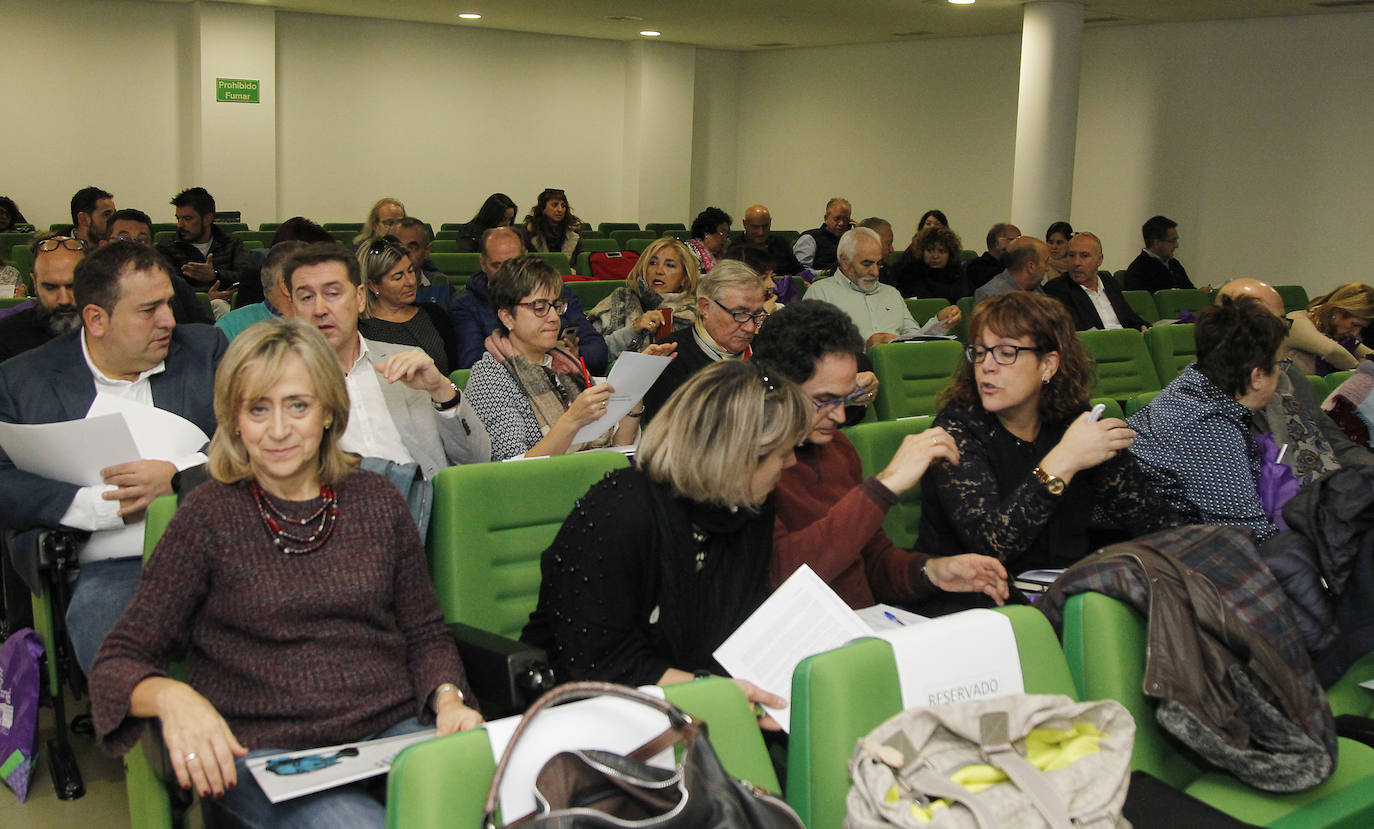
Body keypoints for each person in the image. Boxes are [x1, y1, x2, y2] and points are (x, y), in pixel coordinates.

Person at [89, 318, 481, 826]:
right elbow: (118, 660)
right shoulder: (208, 516)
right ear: (233, 420)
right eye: (258, 408)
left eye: (297, 405)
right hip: (266, 753)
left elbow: (425, 632)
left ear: (326, 412)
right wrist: (171, 694)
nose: (277, 430)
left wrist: (448, 700)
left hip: (391, 731)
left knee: (490, 796)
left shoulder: (378, 501)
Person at [521, 360, 809, 717]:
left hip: (698, 700)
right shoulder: (620, 513)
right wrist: (716, 695)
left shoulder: (749, 506)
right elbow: (596, 664)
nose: (792, 462)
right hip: (590, 712)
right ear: (738, 457)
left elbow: (740, 622)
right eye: (783, 451)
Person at [0, 240, 225, 674]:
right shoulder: (23, 380)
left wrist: (179, 476)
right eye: (149, 310)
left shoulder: (205, 351)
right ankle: (153, 737)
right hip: (112, 563)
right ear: (96, 319)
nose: (169, 320)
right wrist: (89, 507)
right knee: (110, 627)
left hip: (220, 545)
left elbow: (253, 435)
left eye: (168, 303)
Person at [754, 301, 1009, 610]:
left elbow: (872, 561)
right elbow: (783, 577)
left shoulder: (837, 448)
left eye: (845, 399)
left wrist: (932, 572)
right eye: (824, 400)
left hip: (863, 629)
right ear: (776, 390)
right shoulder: (748, 464)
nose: (839, 417)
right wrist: (883, 486)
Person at [917, 292, 1180, 572]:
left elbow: (1151, 521)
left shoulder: (1072, 422)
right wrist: (1063, 460)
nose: (987, 367)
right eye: (979, 353)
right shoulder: (956, 429)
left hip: (1065, 590)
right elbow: (992, 546)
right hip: (974, 600)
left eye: (1007, 353)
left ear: (1048, 365)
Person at [287, 242, 490, 481]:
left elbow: (477, 459)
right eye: (307, 297)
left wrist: (441, 390)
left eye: (333, 293)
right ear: (293, 308)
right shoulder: (279, 382)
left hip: (426, 506)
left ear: (360, 297)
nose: (320, 309)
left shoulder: (406, 364)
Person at [1127, 297, 1290, 542]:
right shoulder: (1206, 426)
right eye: (1279, 365)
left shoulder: (1199, 381)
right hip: (1165, 554)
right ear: (1256, 376)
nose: (1281, 373)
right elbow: (1246, 534)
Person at [466, 256, 657, 460]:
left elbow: (617, 450)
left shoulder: (566, 363)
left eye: (556, 306)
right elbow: (512, 471)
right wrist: (572, 420)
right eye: (540, 308)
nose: (554, 317)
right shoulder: (490, 378)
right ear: (507, 317)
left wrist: (635, 393)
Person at [1219, 278, 1374, 485]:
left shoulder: (1290, 375)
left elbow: (1333, 438)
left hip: (1325, 484)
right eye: (1278, 323)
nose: (1284, 331)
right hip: (1291, 496)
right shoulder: (1218, 391)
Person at [451, 227, 608, 373]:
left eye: (514, 263)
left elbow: (598, 351)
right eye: (497, 266)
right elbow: (471, 365)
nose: (506, 273)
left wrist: (575, 355)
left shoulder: (559, 293)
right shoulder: (466, 304)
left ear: (526, 257)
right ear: (483, 264)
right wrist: (548, 355)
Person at [640, 259, 768, 421]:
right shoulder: (670, 357)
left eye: (756, 315)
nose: (750, 327)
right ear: (705, 307)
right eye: (739, 314)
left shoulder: (768, 350)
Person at [805, 227, 958, 349]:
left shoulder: (891, 293)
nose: (875, 272)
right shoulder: (820, 293)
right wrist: (864, 349)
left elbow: (913, 341)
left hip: (897, 372)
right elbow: (813, 349)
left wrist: (938, 323)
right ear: (845, 261)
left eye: (878, 264)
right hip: (851, 378)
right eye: (867, 264)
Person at [355, 235, 456, 375]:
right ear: (373, 286)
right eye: (398, 277)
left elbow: (454, 371)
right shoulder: (360, 329)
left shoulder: (435, 315)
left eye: (411, 271)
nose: (410, 282)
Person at [587, 236, 699, 360]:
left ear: (684, 278)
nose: (659, 271)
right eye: (652, 263)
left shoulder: (696, 314)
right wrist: (633, 329)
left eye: (670, 265)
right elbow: (593, 352)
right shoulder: (620, 300)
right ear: (643, 268)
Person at [156, 187, 256, 317]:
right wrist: (204, 299)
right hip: (185, 313)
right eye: (178, 218)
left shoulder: (231, 243)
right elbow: (167, 287)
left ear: (207, 218)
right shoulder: (168, 247)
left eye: (187, 219)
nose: (180, 225)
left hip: (229, 306)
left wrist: (215, 275)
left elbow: (246, 277)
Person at [104, 208, 214, 326]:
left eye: (141, 240)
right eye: (123, 239)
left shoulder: (174, 285)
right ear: (104, 245)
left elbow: (205, 331)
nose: (133, 246)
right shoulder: (94, 285)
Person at [0, 235, 85, 363]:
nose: (64, 300)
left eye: (72, 286)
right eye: (51, 287)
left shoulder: (113, 331)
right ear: (34, 283)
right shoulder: (5, 336)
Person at [1043, 232, 1149, 331]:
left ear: (1099, 260)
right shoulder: (1058, 288)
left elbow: (1130, 317)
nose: (1076, 262)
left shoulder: (1109, 283)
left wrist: (1142, 326)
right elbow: (1077, 330)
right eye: (1071, 255)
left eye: (1084, 256)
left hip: (1126, 342)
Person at [1285, 283, 1374, 376]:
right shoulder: (1295, 321)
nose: (1355, 333)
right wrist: (1362, 369)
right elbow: (1331, 351)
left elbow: (1369, 354)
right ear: (1337, 312)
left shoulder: (1335, 332)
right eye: (1355, 325)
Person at [892, 225, 970, 303]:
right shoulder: (910, 275)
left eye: (941, 251)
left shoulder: (959, 275)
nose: (935, 256)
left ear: (950, 254)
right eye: (930, 250)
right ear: (922, 252)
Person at [1123, 215, 1197, 292]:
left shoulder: (1174, 264)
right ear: (1156, 243)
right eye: (1172, 241)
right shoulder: (1138, 270)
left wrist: (1200, 294)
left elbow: (1190, 291)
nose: (1176, 245)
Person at [392, 217, 453, 308]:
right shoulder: (378, 286)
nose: (404, 254)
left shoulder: (440, 283)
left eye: (412, 248)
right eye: (397, 247)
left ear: (426, 251)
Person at [972, 236, 1050, 305]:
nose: (1047, 268)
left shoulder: (1036, 290)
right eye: (1046, 262)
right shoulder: (992, 296)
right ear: (1031, 267)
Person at [741, 203, 804, 276]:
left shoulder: (780, 243)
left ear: (770, 222)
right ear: (745, 224)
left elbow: (798, 270)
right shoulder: (736, 249)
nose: (761, 232)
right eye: (755, 227)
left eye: (765, 226)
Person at [792, 197, 851, 273]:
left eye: (846, 219)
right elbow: (800, 271)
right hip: (817, 282)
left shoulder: (849, 241)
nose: (841, 223)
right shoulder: (809, 238)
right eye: (837, 218)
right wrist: (825, 272)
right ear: (826, 218)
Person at [521, 187, 581, 262]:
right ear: (543, 209)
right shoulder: (530, 230)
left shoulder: (573, 230)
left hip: (567, 272)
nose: (560, 210)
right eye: (555, 205)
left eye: (563, 206)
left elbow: (579, 261)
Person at [965, 223, 1021, 291]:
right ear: (998, 242)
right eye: (1015, 240)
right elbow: (995, 286)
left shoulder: (1016, 264)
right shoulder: (978, 266)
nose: (1020, 245)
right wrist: (1004, 252)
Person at [685, 206, 732, 274]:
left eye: (727, 234)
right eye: (722, 233)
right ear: (706, 233)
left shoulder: (722, 256)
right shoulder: (689, 253)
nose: (725, 239)